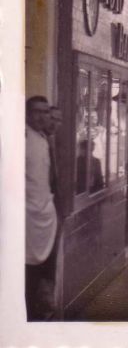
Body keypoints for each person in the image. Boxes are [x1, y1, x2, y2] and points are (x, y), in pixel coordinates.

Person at [25, 96, 58, 320]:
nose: (43, 116)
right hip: (27, 217)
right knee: (28, 272)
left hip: (45, 216)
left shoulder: (43, 138)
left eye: (46, 112)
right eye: (37, 111)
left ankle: (41, 312)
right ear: (28, 114)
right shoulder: (23, 139)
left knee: (43, 269)